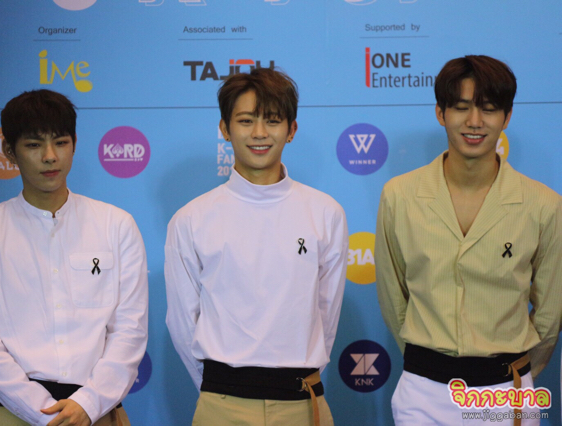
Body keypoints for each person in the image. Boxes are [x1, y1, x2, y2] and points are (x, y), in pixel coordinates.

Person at [375, 55, 562, 425]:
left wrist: (516, 372)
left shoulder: (543, 204)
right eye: (461, 108)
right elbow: (392, 295)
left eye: (488, 109)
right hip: (422, 391)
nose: (474, 122)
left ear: (506, 117)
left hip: (506, 392)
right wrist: (426, 361)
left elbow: (550, 312)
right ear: (440, 113)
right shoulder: (399, 195)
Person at [0, 89, 148, 426]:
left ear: (74, 144)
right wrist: (43, 412)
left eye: (60, 142)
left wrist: (88, 404)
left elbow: (130, 329)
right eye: (33, 145)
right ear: (9, 151)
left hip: (99, 411)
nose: (50, 156)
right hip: (16, 414)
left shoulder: (116, 225)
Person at [165, 68, 348, 426]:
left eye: (273, 120)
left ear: (291, 129)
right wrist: (218, 390)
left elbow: (326, 315)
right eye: (246, 120)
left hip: (303, 402)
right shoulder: (191, 218)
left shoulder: (326, 213)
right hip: (221, 405)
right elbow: (183, 323)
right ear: (224, 128)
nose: (260, 133)